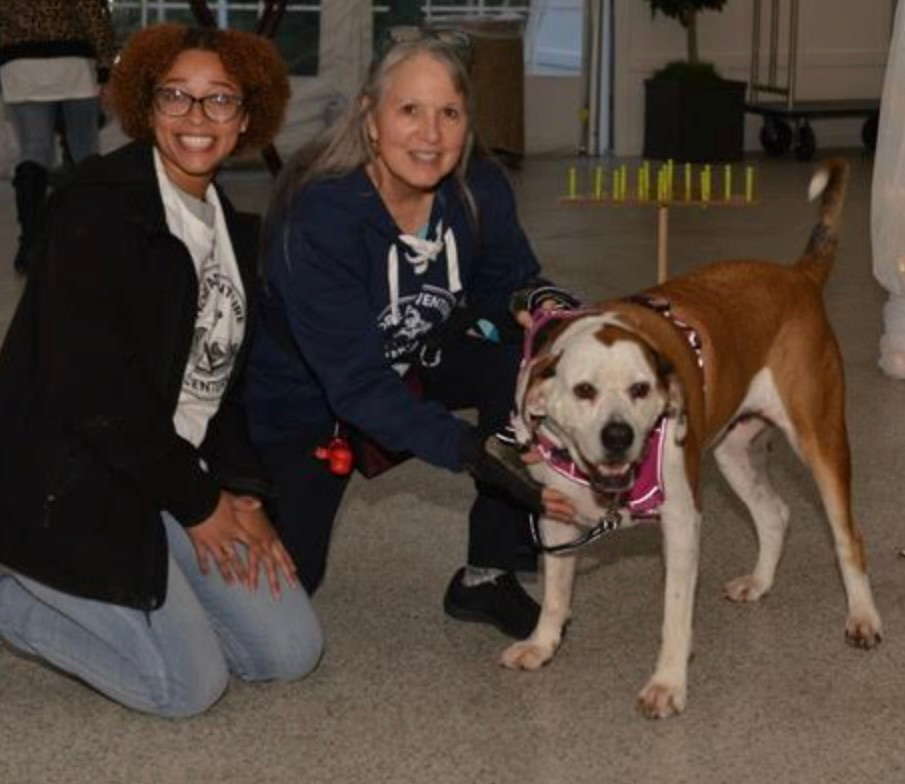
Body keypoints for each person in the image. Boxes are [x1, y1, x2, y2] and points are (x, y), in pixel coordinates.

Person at [0, 23, 322, 719]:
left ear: (247, 117)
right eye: (176, 96)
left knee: (289, 651)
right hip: (70, 479)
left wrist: (240, 493)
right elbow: (93, 394)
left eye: (220, 99)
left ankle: (159, 575)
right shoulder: (96, 206)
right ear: (146, 107)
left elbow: (224, 389)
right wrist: (200, 505)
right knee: (185, 688)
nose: (197, 117)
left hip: (163, 471)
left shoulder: (233, 230)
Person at [246, 32, 575, 641]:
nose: (431, 134)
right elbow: (355, 385)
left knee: (524, 364)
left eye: (449, 113)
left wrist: (550, 311)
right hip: (310, 398)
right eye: (410, 110)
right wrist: (473, 451)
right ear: (370, 118)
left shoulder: (477, 186)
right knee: (284, 600)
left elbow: (509, 286)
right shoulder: (323, 213)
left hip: (418, 356)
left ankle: (488, 573)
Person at [0, 0, 116, 273]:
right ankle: (93, 237)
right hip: (73, 63)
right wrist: (105, 66)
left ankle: (30, 245)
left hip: (20, 65)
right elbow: (92, 15)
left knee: (34, 148)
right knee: (85, 149)